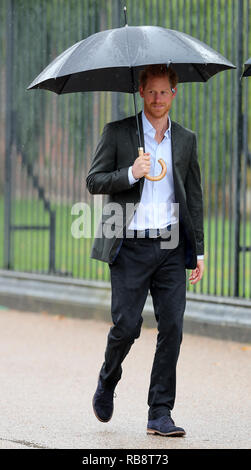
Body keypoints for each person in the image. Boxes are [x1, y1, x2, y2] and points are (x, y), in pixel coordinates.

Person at [86, 64, 204, 437]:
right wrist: (131, 173)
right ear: (141, 91)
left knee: (172, 326)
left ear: (174, 92)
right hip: (129, 243)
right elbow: (93, 181)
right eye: (151, 92)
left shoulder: (185, 139)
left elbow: (194, 196)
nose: (157, 100)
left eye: (163, 92)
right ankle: (107, 380)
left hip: (170, 243)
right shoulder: (119, 133)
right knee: (127, 326)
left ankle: (160, 412)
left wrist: (197, 249)